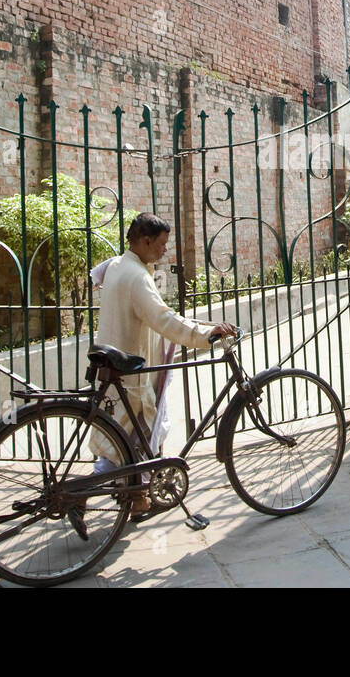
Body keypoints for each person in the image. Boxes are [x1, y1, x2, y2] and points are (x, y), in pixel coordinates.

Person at [90, 212, 237, 514]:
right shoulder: (137, 277)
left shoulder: (120, 265)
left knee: (130, 442)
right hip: (131, 376)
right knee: (129, 442)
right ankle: (83, 494)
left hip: (119, 367)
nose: (165, 251)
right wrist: (206, 334)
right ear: (145, 241)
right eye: (161, 244)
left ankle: (138, 499)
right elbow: (163, 319)